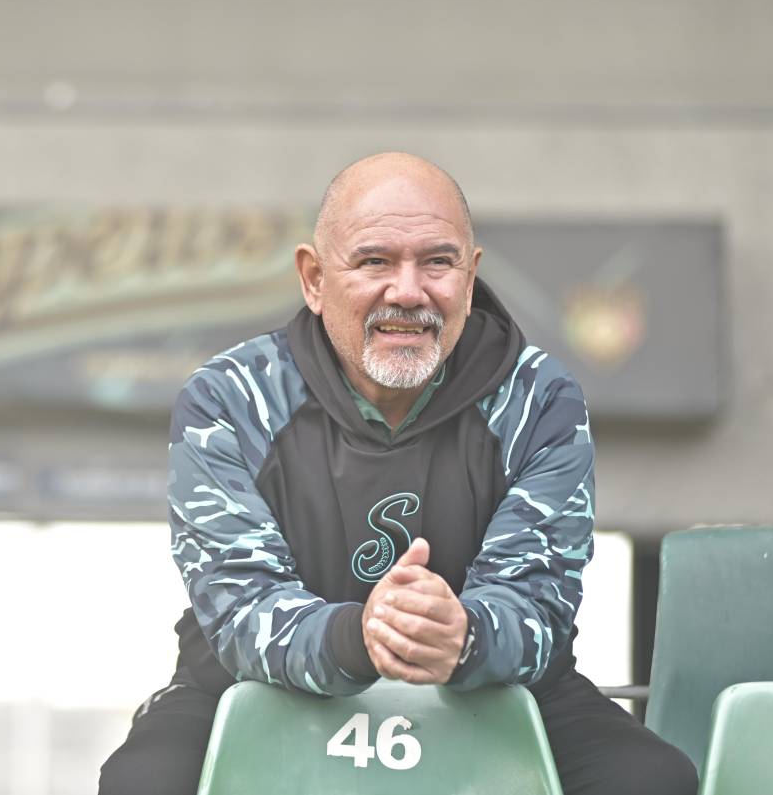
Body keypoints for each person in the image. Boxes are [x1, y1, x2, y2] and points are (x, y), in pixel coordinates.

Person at [99, 152, 697, 795]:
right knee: (139, 784)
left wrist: (463, 635)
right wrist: (361, 636)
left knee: (652, 780)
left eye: (437, 262)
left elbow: (537, 603)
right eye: (375, 262)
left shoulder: (540, 397)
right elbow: (239, 607)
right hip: (251, 685)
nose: (408, 292)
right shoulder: (229, 396)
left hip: (491, 684)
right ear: (313, 279)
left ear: (470, 277)